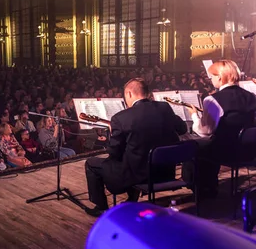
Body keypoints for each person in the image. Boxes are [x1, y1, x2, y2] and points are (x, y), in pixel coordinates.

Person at [84, 78, 187, 216]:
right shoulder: (165, 108)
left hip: (136, 176)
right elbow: (182, 129)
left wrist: (112, 134)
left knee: (91, 163)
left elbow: (113, 152)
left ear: (129, 94)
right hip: (165, 173)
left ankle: (101, 206)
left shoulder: (121, 118)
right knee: (135, 153)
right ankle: (132, 198)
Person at [184, 60, 256, 196]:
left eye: (211, 77)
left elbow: (205, 131)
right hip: (248, 151)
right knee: (211, 143)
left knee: (194, 145)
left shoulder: (213, 100)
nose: (211, 80)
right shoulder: (251, 96)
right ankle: (210, 184)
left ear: (220, 77)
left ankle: (201, 189)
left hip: (225, 152)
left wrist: (194, 116)